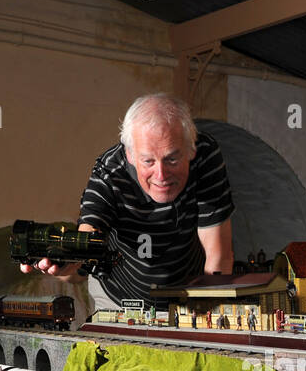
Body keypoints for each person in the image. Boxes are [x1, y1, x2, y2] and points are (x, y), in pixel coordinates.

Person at [25, 93, 235, 321]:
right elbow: (88, 235)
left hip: (187, 293)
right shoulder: (109, 173)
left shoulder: (206, 157)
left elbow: (218, 254)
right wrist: (66, 261)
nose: (161, 175)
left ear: (191, 150)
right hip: (118, 296)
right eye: (148, 161)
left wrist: (206, 312)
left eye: (172, 159)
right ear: (130, 155)